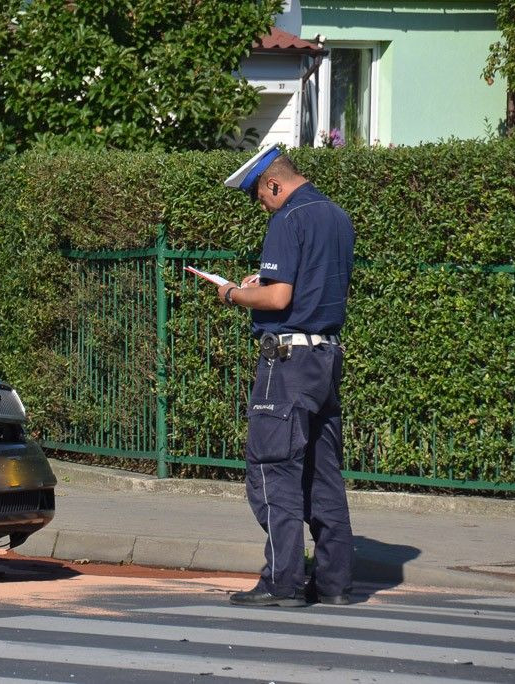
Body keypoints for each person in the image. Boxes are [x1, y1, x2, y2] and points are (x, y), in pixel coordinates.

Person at [216, 144, 356, 607]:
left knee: (272, 468)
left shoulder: (288, 218)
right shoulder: (338, 217)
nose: (261, 205)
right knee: (322, 473)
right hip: (327, 356)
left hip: (288, 360)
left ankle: (283, 581)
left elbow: (278, 299)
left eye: (259, 194)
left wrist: (234, 293)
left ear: (274, 183)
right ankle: (334, 584)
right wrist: (264, 286)